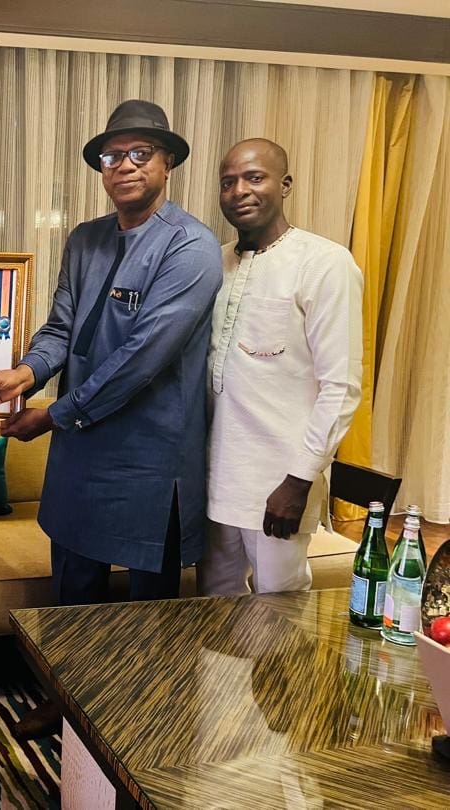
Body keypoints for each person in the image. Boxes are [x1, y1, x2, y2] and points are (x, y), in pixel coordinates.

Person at [0, 100, 222, 738]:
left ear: (168, 163)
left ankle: (144, 720)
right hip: (81, 453)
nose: (125, 166)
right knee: (73, 589)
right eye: (113, 155)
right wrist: (24, 374)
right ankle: (66, 697)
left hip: (151, 461)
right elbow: (62, 328)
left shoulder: (191, 247)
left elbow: (141, 359)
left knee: (150, 612)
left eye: (141, 153)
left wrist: (53, 416)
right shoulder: (85, 238)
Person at [198, 138, 362, 596]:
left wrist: (299, 479)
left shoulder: (325, 263)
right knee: (214, 603)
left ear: (285, 184)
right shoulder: (216, 263)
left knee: (280, 608)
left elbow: (341, 387)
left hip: (279, 481)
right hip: (214, 478)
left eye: (255, 178)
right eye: (228, 182)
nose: (239, 191)